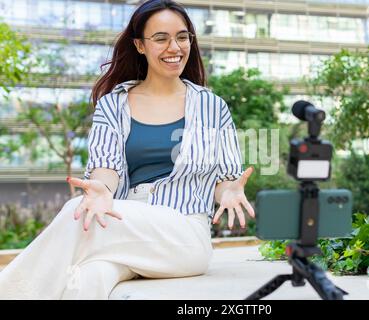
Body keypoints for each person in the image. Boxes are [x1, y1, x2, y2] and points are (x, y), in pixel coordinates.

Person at [0, 0, 255, 300]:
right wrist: (102, 190)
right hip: (122, 223)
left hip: (184, 234)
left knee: (74, 212)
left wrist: (227, 193)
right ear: (140, 45)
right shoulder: (112, 105)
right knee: (87, 280)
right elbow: (105, 170)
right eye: (161, 38)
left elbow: (225, 177)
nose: (175, 47)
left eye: (182, 37)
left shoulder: (213, 107)